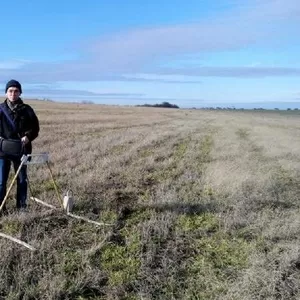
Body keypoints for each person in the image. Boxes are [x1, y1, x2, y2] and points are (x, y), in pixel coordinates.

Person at [0, 79, 39, 211]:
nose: (13, 93)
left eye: (16, 91)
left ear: (20, 93)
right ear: (6, 93)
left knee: (22, 181)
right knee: (0, 182)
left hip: (22, 150)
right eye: (10, 91)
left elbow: (35, 128)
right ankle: (1, 208)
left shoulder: (27, 110)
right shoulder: (0, 110)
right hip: (2, 152)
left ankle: (21, 208)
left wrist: (28, 137)